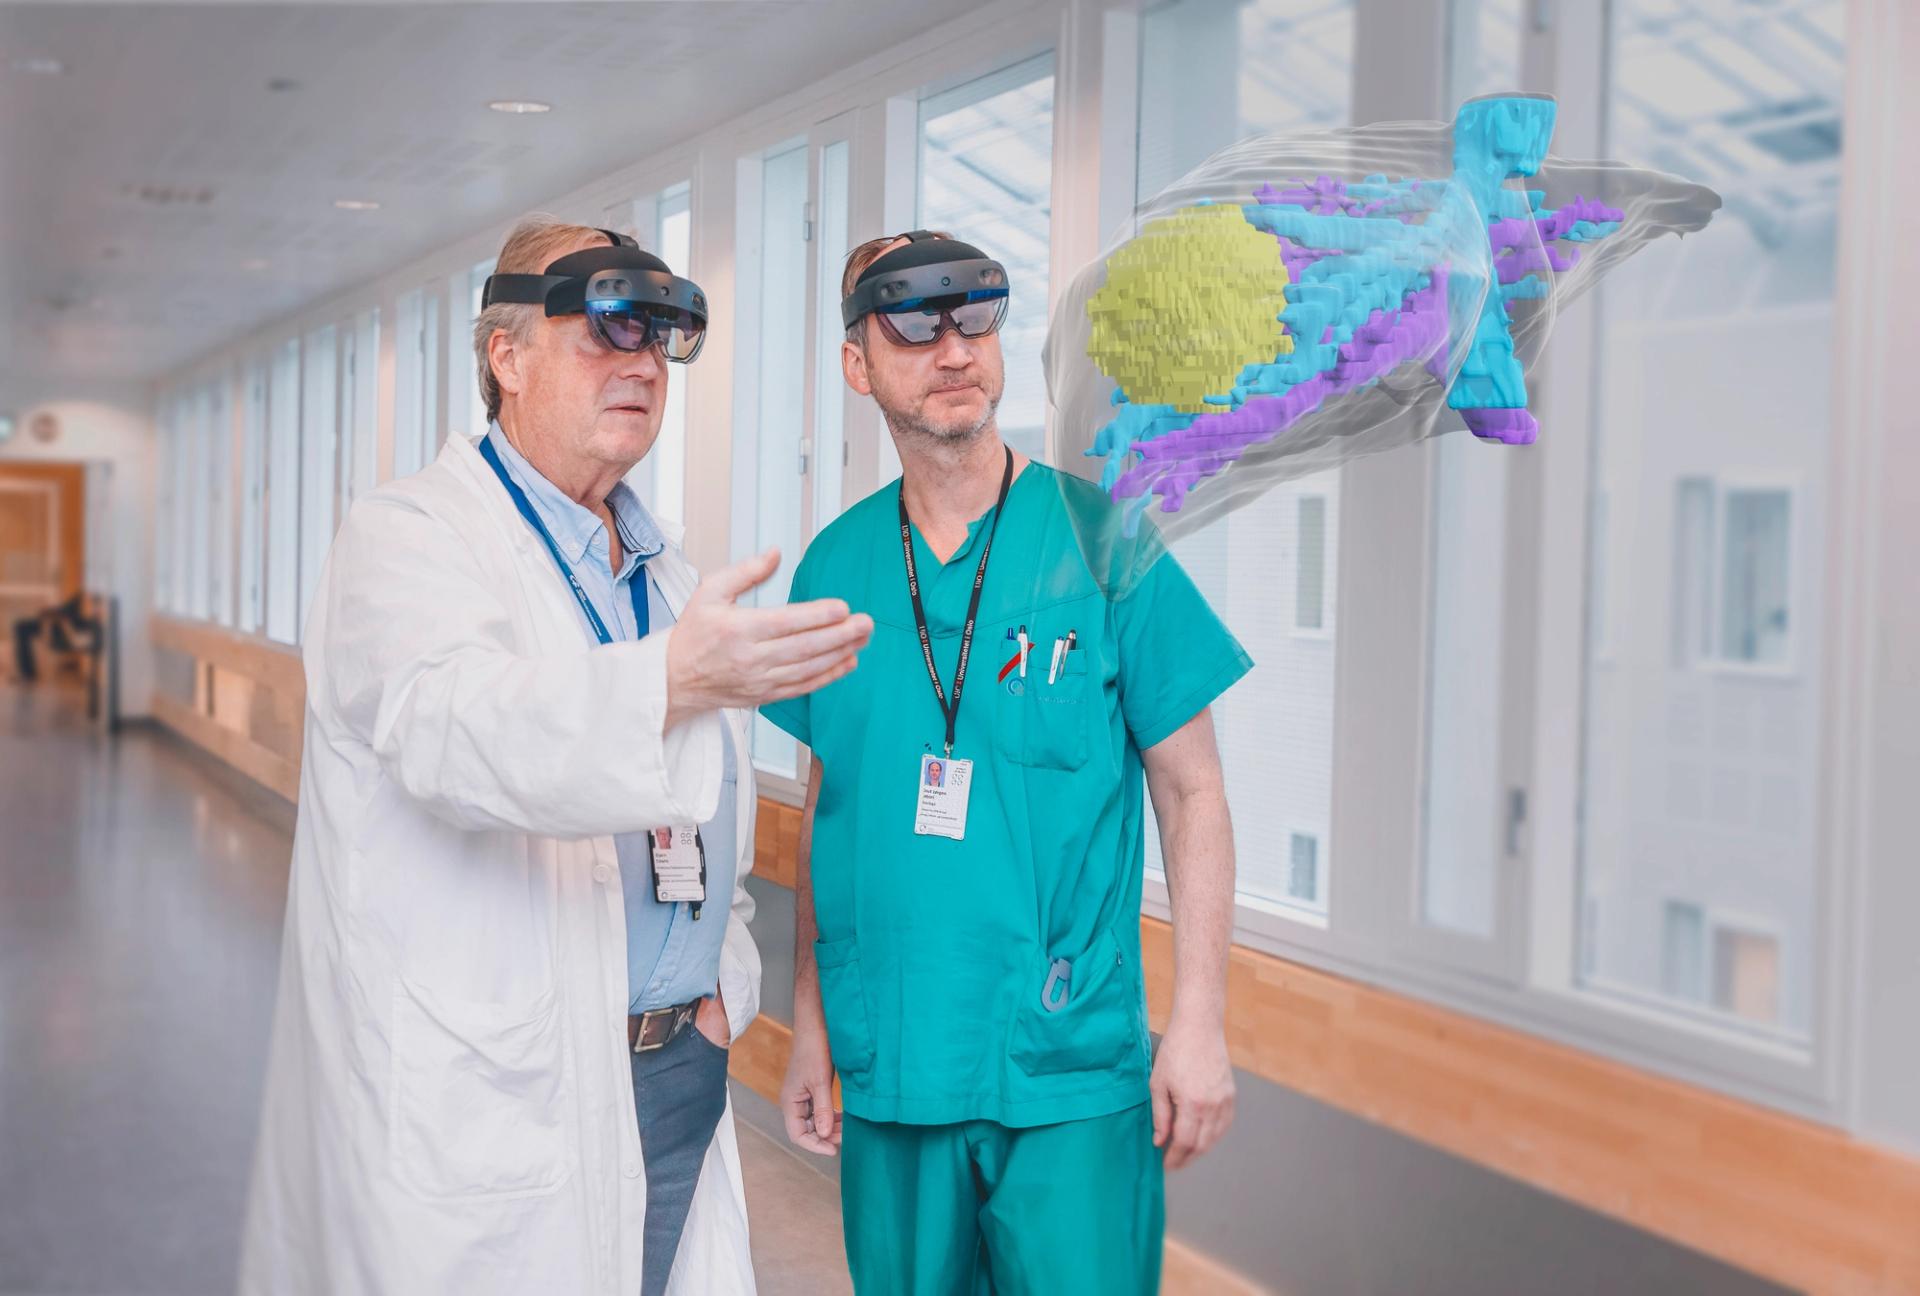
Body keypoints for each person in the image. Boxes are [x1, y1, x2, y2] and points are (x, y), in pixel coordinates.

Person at [239, 217, 873, 1296]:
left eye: (658, 338)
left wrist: (721, 984)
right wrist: (672, 681)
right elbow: (461, 733)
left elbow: (701, 828)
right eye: (605, 327)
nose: (638, 362)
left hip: (679, 1070)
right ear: (508, 354)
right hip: (499, 1092)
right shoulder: (405, 541)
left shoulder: (664, 577)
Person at [765, 231, 1248, 1294]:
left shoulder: (1105, 541)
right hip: (891, 1063)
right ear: (858, 363)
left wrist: (1201, 1024)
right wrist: (809, 1025)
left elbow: (1194, 788)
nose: (953, 350)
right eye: (914, 323)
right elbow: (825, 813)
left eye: (975, 317)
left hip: (1069, 1074)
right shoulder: (833, 570)